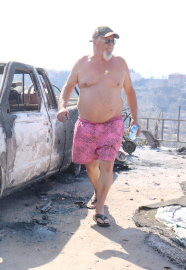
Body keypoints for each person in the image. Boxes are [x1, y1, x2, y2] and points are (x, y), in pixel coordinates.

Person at [57, 26, 141, 227]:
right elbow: (68, 87)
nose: (111, 44)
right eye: (107, 40)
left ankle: (100, 209)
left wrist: (135, 118)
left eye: (113, 41)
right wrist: (61, 106)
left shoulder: (120, 64)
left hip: (113, 123)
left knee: (107, 164)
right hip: (86, 125)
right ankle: (98, 193)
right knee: (91, 166)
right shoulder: (81, 64)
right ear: (94, 41)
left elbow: (129, 92)